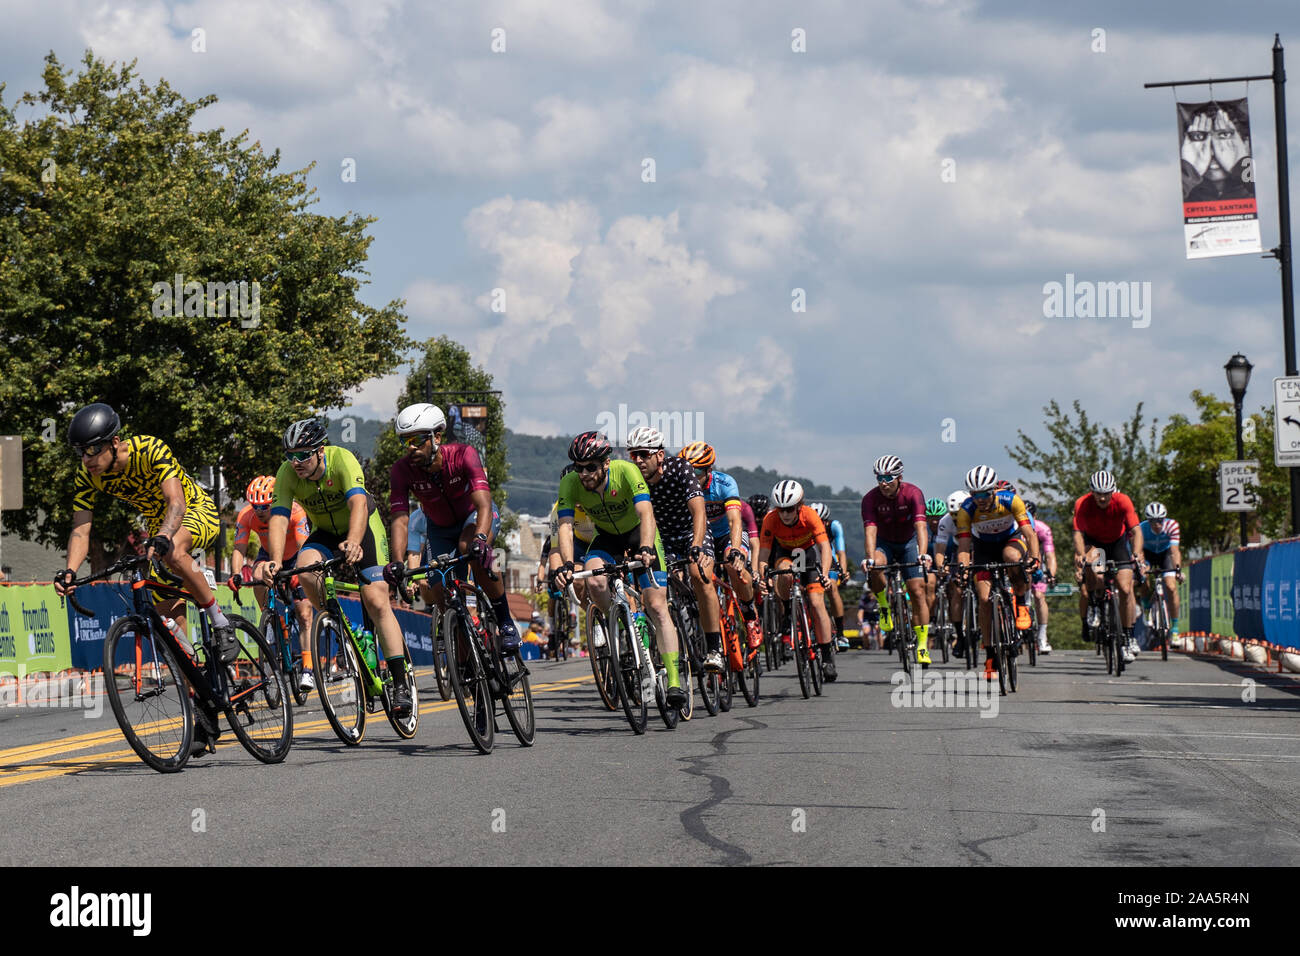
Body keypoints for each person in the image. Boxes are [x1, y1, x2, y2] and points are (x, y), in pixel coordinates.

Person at [53, 403, 232, 756]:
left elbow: (176, 502)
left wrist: (165, 535)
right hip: (155, 527)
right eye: (80, 451)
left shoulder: (148, 449)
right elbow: (80, 528)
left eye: (94, 449)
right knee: (167, 620)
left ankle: (220, 621)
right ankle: (202, 700)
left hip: (193, 512)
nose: (87, 458)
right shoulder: (87, 475)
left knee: (174, 551)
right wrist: (71, 570)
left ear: (115, 442)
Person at [263, 418, 414, 717]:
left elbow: (358, 504)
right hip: (325, 533)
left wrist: (355, 542)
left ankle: (399, 682)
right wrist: (276, 560)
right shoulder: (286, 473)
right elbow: (279, 517)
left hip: (363, 529)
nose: (296, 462)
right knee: (305, 569)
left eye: (303, 454)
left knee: (375, 599)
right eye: (290, 456)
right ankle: (339, 626)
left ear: (320, 450)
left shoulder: (341, 459)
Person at [550, 432, 684, 707]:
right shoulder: (570, 483)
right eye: (579, 467)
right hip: (608, 537)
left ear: (606, 463)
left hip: (640, 534)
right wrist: (565, 564)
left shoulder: (626, 471)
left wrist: (646, 547)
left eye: (590, 467)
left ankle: (673, 681)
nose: (584, 474)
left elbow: (646, 512)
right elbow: (564, 526)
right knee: (594, 579)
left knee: (657, 607)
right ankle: (621, 624)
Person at [386, 403, 520, 652]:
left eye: (416, 439)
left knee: (471, 550)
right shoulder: (401, 471)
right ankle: (466, 656)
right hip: (440, 528)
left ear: (437, 436)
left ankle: (505, 621)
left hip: (476, 518)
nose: (411, 447)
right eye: (406, 442)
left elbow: (483, 503)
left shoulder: (463, 454)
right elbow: (400, 519)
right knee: (438, 589)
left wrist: (481, 538)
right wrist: (396, 562)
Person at [625, 427, 723, 673]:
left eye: (643, 454)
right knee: (651, 590)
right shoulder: (634, 480)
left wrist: (697, 545)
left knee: (699, 574)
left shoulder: (681, 469)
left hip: (691, 530)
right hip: (661, 538)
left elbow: (699, 511)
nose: (637, 460)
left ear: (659, 456)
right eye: (633, 454)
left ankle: (714, 649)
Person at [954, 465, 1041, 682]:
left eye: (984, 493)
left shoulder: (1010, 500)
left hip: (1010, 540)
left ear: (993, 490)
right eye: (975, 494)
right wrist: (963, 569)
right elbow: (964, 546)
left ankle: (1021, 603)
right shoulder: (967, 510)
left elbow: (1029, 533)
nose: (980, 499)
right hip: (983, 548)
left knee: (1012, 558)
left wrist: (1034, 557)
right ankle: (991, 655)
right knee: (984, 599)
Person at [230, 475, 316, 690]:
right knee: (257, 576)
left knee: (304, 613)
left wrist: (299, 572)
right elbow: (239, 548)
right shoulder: (246, 515)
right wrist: (235, 574)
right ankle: (268, 616)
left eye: (265, 506)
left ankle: (307, 669)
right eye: (255, 506)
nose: (259, 511)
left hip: (296, 555)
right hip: (268, 555)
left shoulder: (295, 512)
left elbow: (303, 545)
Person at [757, 479, 837, 680]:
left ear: (799, 506)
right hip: (785, 552)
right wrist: (762, 575)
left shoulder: (810, 515)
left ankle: (827, 657)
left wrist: (825, 574)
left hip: (808, 552)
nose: (785, 514)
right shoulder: (771, 519)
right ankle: (787, 612)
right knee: (783, 572)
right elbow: (764, 553)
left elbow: (825, 548)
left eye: (790, 509)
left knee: (817, 603)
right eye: (781, 509)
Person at [859, 454, 932, 666]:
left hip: (909, 542)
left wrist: (923, 553)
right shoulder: (870, 499)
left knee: (918, 591)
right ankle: (883, 605)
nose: (883, 483)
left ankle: (922, 645)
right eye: (879, 478)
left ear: (899, 477)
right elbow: (870, 532)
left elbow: (921, 527)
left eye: (888, 478)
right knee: (875, 566)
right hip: (885, 543)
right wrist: (870, 558)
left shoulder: (913, 493)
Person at [1072, 470, 1144, 663]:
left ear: (1113, 491)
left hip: (1117, 543)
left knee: (1125, 589)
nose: (1102, 497)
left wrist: (1136, 554)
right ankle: (1095, 603)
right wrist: (1080, 554)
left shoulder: (1123, 501)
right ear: (1091, 492)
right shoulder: (1082, 503)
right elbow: (1078, 533)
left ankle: (1127, 638)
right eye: (1098, 493)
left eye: (1106, 493)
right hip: (1094, 542)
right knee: (1094, 568)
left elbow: (1136, 531)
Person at [1180, 100, 1253, 203]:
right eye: (1199, 137)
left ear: (1246, 144)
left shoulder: (1263, 184)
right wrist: (1189, 172)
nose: (1213, 153)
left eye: (1224, 136)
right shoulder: (1177, 191)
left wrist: (1242, 170)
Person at [1138, 501, 1182, 644]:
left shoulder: (1172, 526)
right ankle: (1146, 606)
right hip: (1148, 554)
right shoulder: (1141, 529)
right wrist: (1142, 567)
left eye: (1160, 521)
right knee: (1143, 578)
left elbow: (1175, 551)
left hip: (1165, 554)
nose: (1157, 524)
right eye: (1153, 521)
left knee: (1171, 586)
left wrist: (1177, 570)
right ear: (1148, 520)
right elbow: (1138, 551)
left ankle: (1174, 630)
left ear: (1164, 519)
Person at [1024, 501, 1056, 654]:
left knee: (1039, 596)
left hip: (1037, 567)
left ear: (1034, 516)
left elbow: (1050, 555)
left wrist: (1051, 573)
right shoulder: (1016, 527)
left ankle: (1042, 636)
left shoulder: (1042, 529)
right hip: (1019, 567)